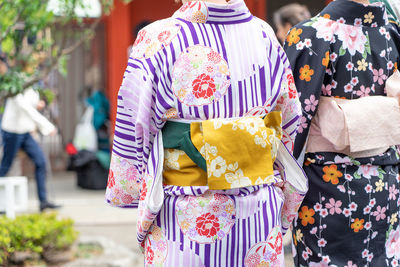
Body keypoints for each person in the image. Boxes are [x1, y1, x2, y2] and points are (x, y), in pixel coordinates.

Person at [106, 0, 308, 265]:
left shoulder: (158, 37)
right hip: (257, 210)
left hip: (186, 211)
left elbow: (135, 124)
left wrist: (131, 185)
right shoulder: (264, 34)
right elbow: (290, 119)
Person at [284, 0, 400, 266]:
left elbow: (292, 122)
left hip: (329, 188)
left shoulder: (311, 35)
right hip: (387, 184)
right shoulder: (391, 32)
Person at [0, 57, 61, 212]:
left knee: (40, 162)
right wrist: (46, 126)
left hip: (25, 131)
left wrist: (38, 103)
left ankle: (43, 201)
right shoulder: (15, 82)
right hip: (13, 131)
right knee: (5, 167)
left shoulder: (31, 82)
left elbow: (30, 102)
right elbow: (24, 107)